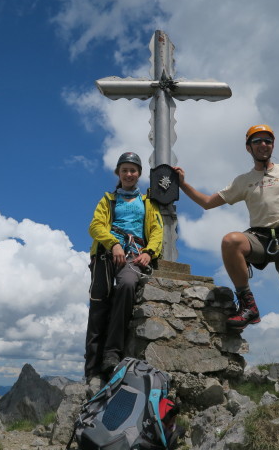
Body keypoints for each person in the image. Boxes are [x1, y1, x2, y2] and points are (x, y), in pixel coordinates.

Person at [174, 124, 279, 396]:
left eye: (268, 141)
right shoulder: (244, 180)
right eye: (257, 141)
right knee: (231, 241)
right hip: (260, 238)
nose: (263, 145)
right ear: (249, 148)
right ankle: (249, 305)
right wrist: (183, 184)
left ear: (272, 145)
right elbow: (207, 202)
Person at [85, 152, 163, 387]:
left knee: (128, 285)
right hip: (105, 255)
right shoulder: (108, 200)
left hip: (134, 256)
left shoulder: (148, 202)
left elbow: (157, 230)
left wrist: (149, 252)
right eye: (124, 170)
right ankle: (92, 371)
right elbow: (95, 226)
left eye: (133, 170)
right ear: (118, 173)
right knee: (99, 304)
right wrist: (114, 243)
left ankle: (112, 353)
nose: (129, 174)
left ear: (139, 174)